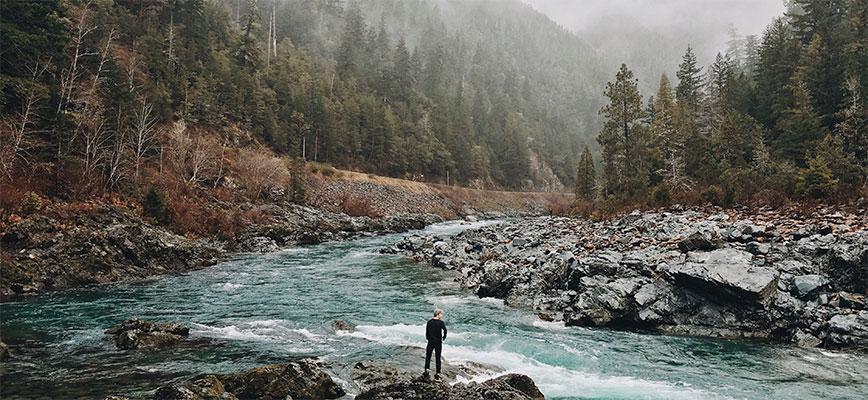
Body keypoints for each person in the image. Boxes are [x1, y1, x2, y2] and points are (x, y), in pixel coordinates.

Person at [424, 308, 447, 379]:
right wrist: (443, 337)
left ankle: (427, 369)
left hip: (430, 341)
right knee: (438, 357)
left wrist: (428, 339)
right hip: (438, 342)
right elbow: (445, 330)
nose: (442, 315)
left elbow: (427, 332)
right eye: (441, 314)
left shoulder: (429, 322)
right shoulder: (441, 322)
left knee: (428, 356)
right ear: (438, 314)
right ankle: (438, 372)